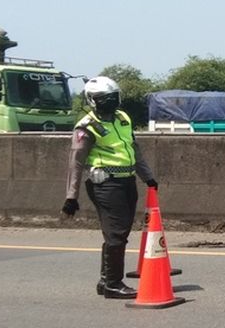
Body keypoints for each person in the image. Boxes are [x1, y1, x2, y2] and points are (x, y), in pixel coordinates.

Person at [61, 76, 158, 299]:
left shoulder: (123, 118)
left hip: (127, 181)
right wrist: (71, 197)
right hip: (105, 184)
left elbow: (134, 149)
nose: (111, 101)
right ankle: (113, 283)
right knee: (116, 234)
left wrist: (148, 177)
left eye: (113, 97)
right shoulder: (86, 126)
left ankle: (105, 280)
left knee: (120, 232)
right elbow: (76, 162)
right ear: (92, 100)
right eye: (104, 98)